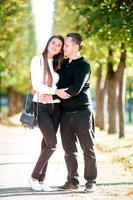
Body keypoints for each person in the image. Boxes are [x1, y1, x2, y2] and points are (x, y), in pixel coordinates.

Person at [44, 32, 97, 192]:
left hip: (82, 113)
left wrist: (54, 92)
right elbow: (51, 78)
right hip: (66, 114)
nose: (63, 48)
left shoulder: (84, 65)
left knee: (87, 149)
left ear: (76, 46)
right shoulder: (64, 64)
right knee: (69, 151)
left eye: (66, 45)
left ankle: (91, 181)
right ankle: (72, 181)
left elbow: (74, 90)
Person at [28, 35, 65, 191]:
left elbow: (62, 85)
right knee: (52, 144)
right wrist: (54, 91)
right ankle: (34, 177)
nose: (55, 46)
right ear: (48, 43)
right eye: (53, 43)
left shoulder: (59, 64)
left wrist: (53, 94)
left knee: (46, 144)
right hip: (41, 106)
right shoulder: (38, 60)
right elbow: (36, 84)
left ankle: (42, 181)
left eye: (59, 45)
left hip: (56, 107)